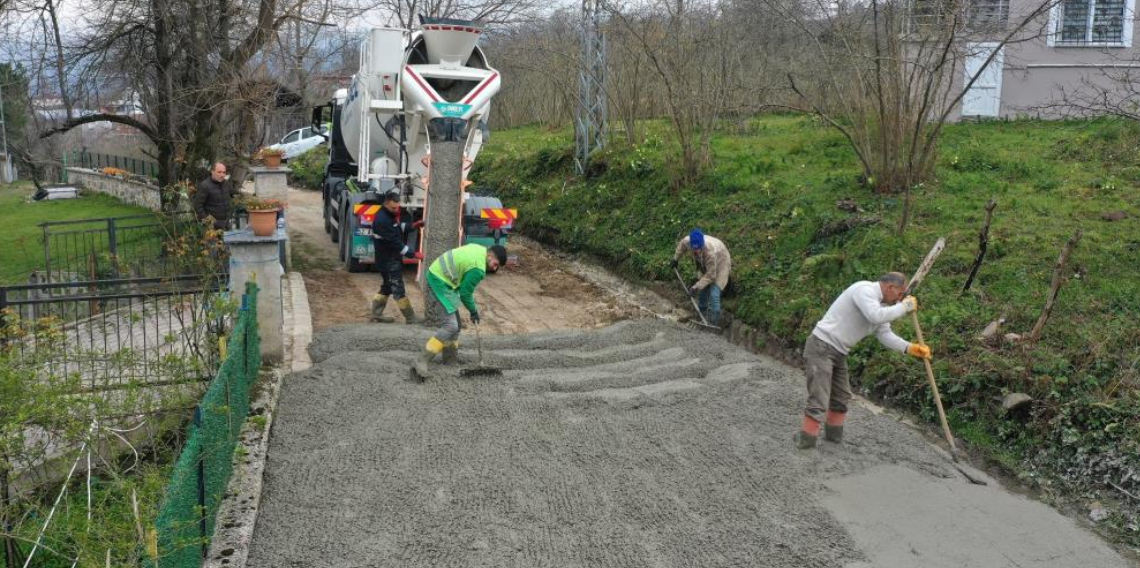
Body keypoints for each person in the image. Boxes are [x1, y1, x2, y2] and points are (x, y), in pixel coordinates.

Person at [795, 272, 931, 449]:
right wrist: (904, 307)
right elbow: (875, 316)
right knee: (819, 397)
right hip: (822, 346)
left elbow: (884, 334)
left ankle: (833, 440)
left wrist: (909, 348)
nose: (900, 299)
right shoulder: (864, 290)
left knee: (842, 397)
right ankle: (806, 442)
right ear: (890, 287)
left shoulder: (881, 304)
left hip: (839, 351)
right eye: (900, 294)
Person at [411, 243, 508, 381]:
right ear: (490, 255)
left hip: (443, 278)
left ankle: (450, 359)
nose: (495, 267)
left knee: (456, 324)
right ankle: (421, 360)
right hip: (439, 281)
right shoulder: (478, 269)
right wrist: (473, 311)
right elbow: (465, 293)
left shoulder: (479, 249)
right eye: (495, 263)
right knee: (451, 325)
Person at [370, 191, 423, 323]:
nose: (396, 210)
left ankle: (376, 314)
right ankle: (411, 318)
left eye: (397, 207)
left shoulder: (389, 214)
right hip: (388, 260)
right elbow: (394, 241)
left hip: (388, 258)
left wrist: (413, 226)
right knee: (398, 288)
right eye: (393, 208)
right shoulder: (382, 220)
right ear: (386, 204)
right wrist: (413, 254)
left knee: (387, 286)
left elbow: (397, 227)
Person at [671, 228, 731, 326]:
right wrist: (675, 259)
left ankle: (713, 323)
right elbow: (681, 245)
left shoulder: (710, 252)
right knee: (703, 290)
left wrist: (696, 287)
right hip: (706, 262)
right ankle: (701, 315)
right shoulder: (688, 241)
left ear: (702, 244)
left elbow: (711, 275)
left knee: (714, 293)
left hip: (721, 261)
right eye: (694, 249)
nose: (696, 251)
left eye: (698, 248)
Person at [193, 162, 238, 230]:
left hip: (226, 224)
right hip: (211, 227)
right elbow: (197, 206)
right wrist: (209, 221)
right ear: (212, 172)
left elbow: (234, 195)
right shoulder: (205, 186)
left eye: (224, 172)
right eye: (219, 172)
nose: (222, 175)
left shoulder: (226, 184)